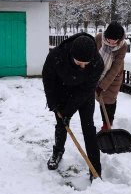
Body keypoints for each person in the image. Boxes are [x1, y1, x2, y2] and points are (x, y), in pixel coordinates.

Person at [42, 33, 104, 180]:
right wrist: (54, 105)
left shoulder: (97, 63)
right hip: (62, 90)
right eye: (79, 63)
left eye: (86, 63)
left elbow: (87, 90)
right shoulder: (57, 56)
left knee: (89, 127)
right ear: (71, 55)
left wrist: (69, 111)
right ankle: (57, 152)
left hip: (84, 93)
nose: (83, 67)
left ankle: (95, 168)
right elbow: (48, 80)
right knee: (61, 124)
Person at [95, 22, 127, 130]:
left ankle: (108, 123)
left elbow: (115, 68)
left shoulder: (123, 46)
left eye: (115, 40)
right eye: (110, 39)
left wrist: (102, 86)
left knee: (110, 99)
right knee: (101, 99)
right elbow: (92, 55)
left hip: (114, 76)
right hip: (97, 73)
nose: (112, 42)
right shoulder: (99, 38)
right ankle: (106, 122)